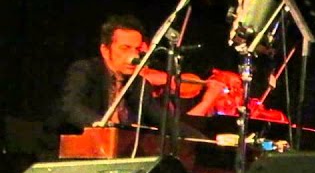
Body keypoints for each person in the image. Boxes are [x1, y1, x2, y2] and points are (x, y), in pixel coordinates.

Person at [52, 14, 225, 134]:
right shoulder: (85, 70)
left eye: (136, 49)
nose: (133, 56)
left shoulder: (137, 84)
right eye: (125, 48)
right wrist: (105, 126)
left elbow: (163, 121)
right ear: (105, 50)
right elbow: (71, 107)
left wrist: (204, 141)